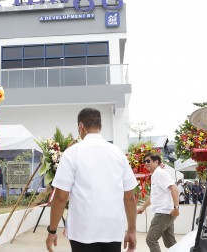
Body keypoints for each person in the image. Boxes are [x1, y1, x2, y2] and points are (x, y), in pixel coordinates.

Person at [45, 107, 138, 252]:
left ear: (80, 126)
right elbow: (130, 197)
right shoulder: (117, 153)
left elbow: (61, 197)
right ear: (100, 127)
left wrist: (52, 231)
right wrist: (131, 230)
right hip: (112, 229)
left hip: (83, 231)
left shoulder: (72, 153)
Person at [137, 153, 180, 252]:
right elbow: (153, 196)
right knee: (170, 243)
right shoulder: (155, 175)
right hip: (166, 212)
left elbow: (174, 188)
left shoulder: (160, 173)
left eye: (148, 161)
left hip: (164, 213)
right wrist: (143, 207)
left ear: (156, 162)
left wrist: (176, 208)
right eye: (145, 161)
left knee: (150, 239)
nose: (146, 163)